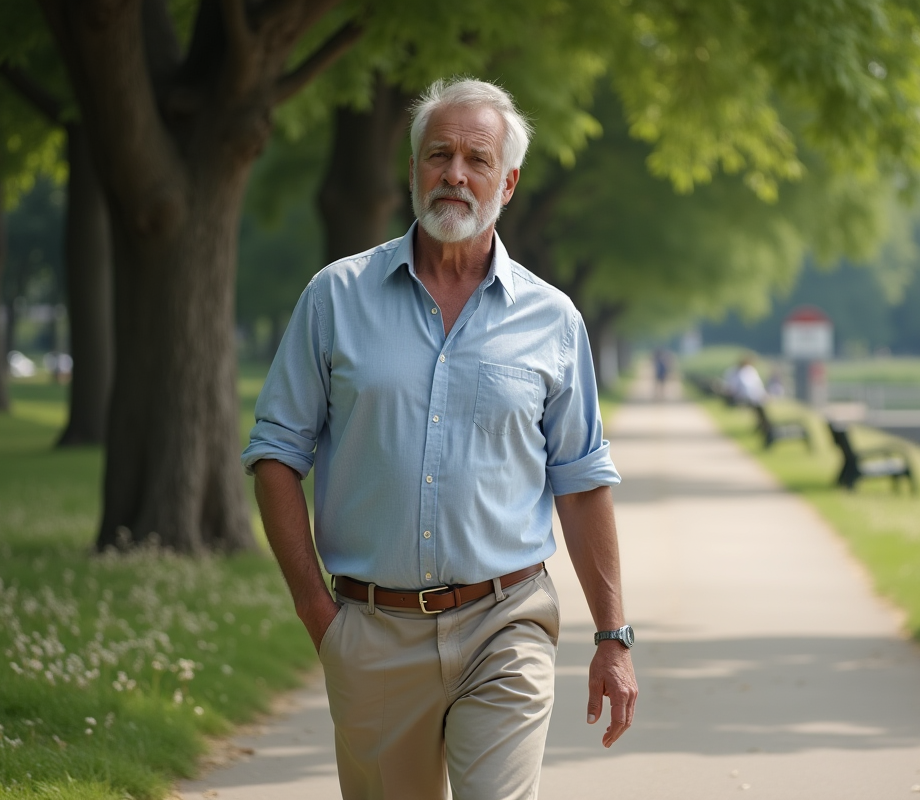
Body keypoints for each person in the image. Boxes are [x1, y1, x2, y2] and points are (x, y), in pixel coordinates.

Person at [241, 78, 637, 799]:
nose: (455, 174)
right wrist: (317, 614)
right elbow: (274, 453)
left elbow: (581, 482)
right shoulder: (335, 297)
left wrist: (613, 636)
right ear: (413, 168)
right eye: (438, 155)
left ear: (508, 181)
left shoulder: (554, 321)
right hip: (371, 633)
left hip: (506, 624)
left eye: (477, 159)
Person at [725, 356, 774, 447]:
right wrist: (760, 395)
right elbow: (747, 388)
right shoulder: (745, 372)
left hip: (750, 396)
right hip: (748, 397)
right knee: (760, 409)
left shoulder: (744, 371)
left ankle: (765, 427)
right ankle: (767, 429)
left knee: (760, 409)